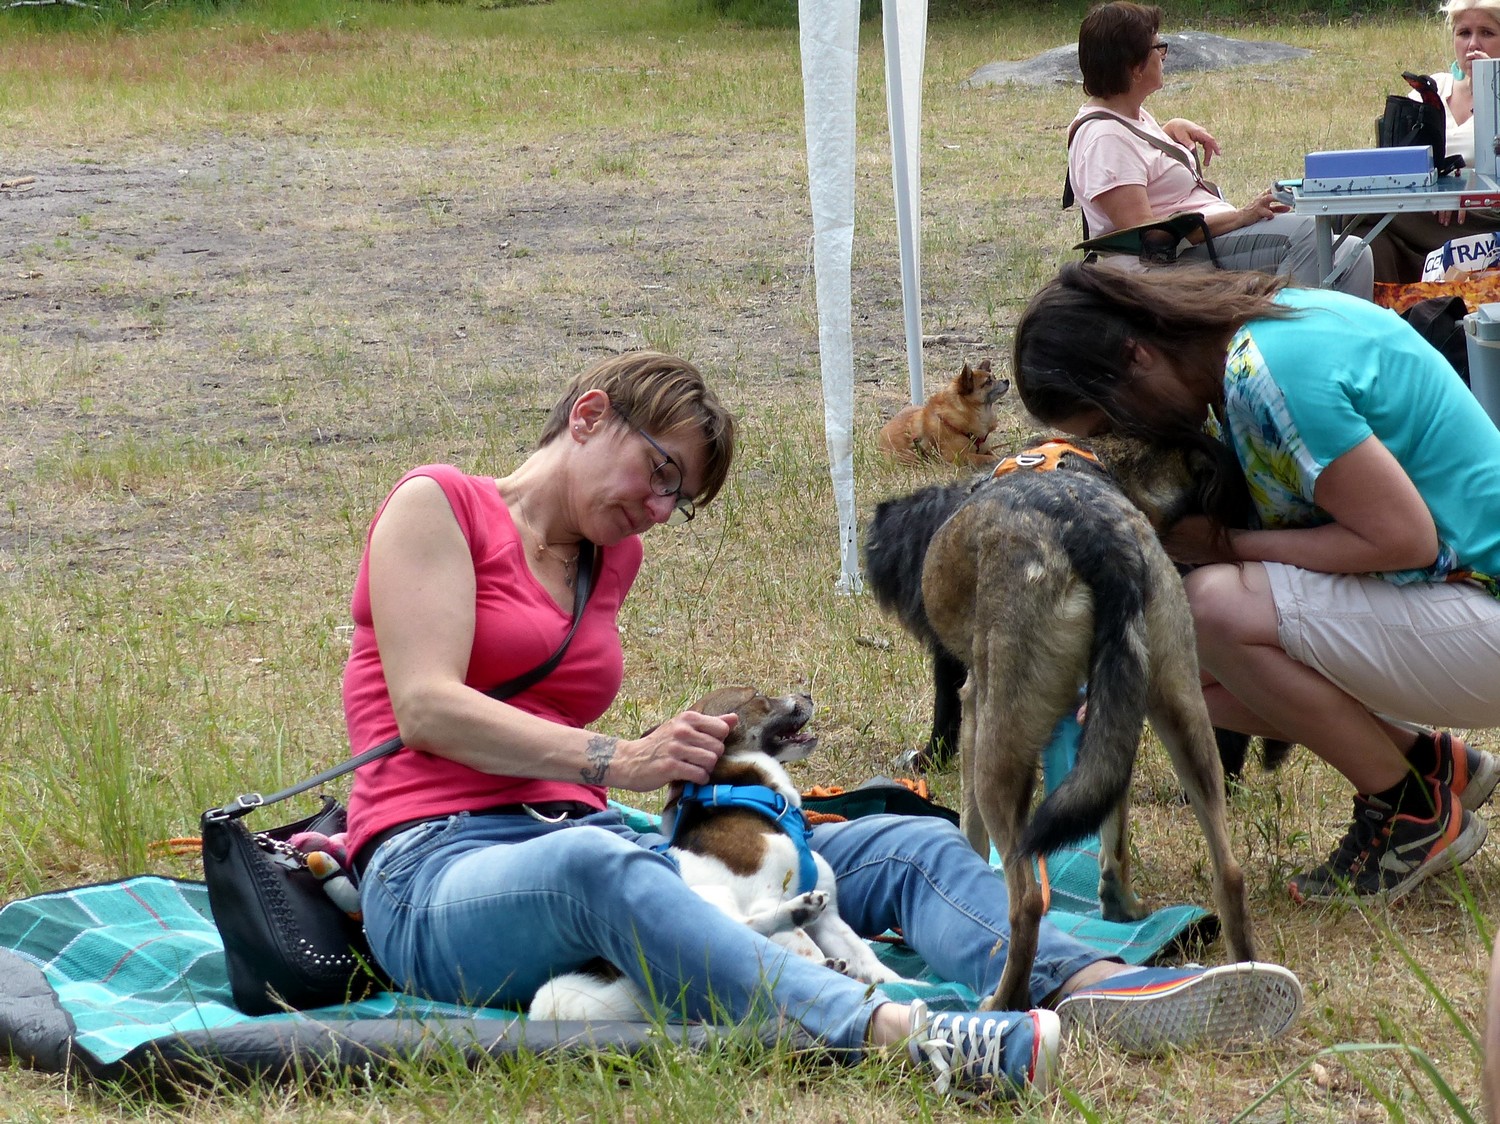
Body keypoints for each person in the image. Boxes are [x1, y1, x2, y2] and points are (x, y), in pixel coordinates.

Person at [339, 349, 1303, 1097]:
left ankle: (1090, 989)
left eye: (680, 497)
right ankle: (900, 1035)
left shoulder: (605, 560)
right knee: (601, 868)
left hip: (579, 834)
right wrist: (619, 757)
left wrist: (680, 756)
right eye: (660, 471)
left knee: (897, 844)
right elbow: (428, 708)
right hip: (434, 870)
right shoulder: (440, 506)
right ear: (590, 416)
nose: (661, 506)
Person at [1011, 263, 1500, 902]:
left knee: (1210, 609)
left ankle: (1409, 812)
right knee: (1173, 664)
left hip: (1481, 611)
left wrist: (1225, 547)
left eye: (1110, 423)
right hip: (1460, 610)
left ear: (1137, 355)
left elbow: (1404, 539)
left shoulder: (1268, 371)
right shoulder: (1253, 334)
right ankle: (1427, 763)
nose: (1130, 439)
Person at [1069, 2, 1374, 297]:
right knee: (1307, 235)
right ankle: (1290, 340)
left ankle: (1340, 346)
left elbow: (1138, 165)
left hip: (1204, 242)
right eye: (1157, 48)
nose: (1163, 56)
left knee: (1354, 253)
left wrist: (1168, 130)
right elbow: (1149, 236)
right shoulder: (1104, 139)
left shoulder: (1128, 116)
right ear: (1135, 68)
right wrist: (1243, 216)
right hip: (1172, 263)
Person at [1360, 0, 1500, 282]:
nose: (1473, 44)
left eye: (1487, 32)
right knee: (1365, 240)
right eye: (1464, 33)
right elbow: (1398, 165)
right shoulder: (1432, 90)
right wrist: (1442, 191)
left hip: (1484, 217)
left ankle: (1332, 216)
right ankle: (1389, 321)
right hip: (1424, 214)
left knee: (1363, 212)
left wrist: (1490, 90)